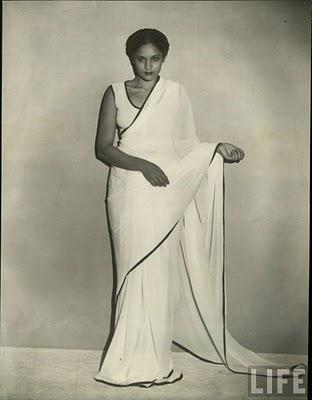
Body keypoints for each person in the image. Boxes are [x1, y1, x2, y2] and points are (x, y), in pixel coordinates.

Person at [93, 28, 305, 388]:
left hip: (164, 192)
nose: (148, 66)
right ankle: (126, 364)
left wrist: (215, 148)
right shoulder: (115, 92)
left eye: (155, 59)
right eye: (141, 59)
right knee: (132, 272)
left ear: (164, 58)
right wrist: (143, 165)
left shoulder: (175, 94)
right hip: (128, 191)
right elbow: (103, 149)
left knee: (159, 276)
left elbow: (187, 145)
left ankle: (155, 363)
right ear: (130, 58)